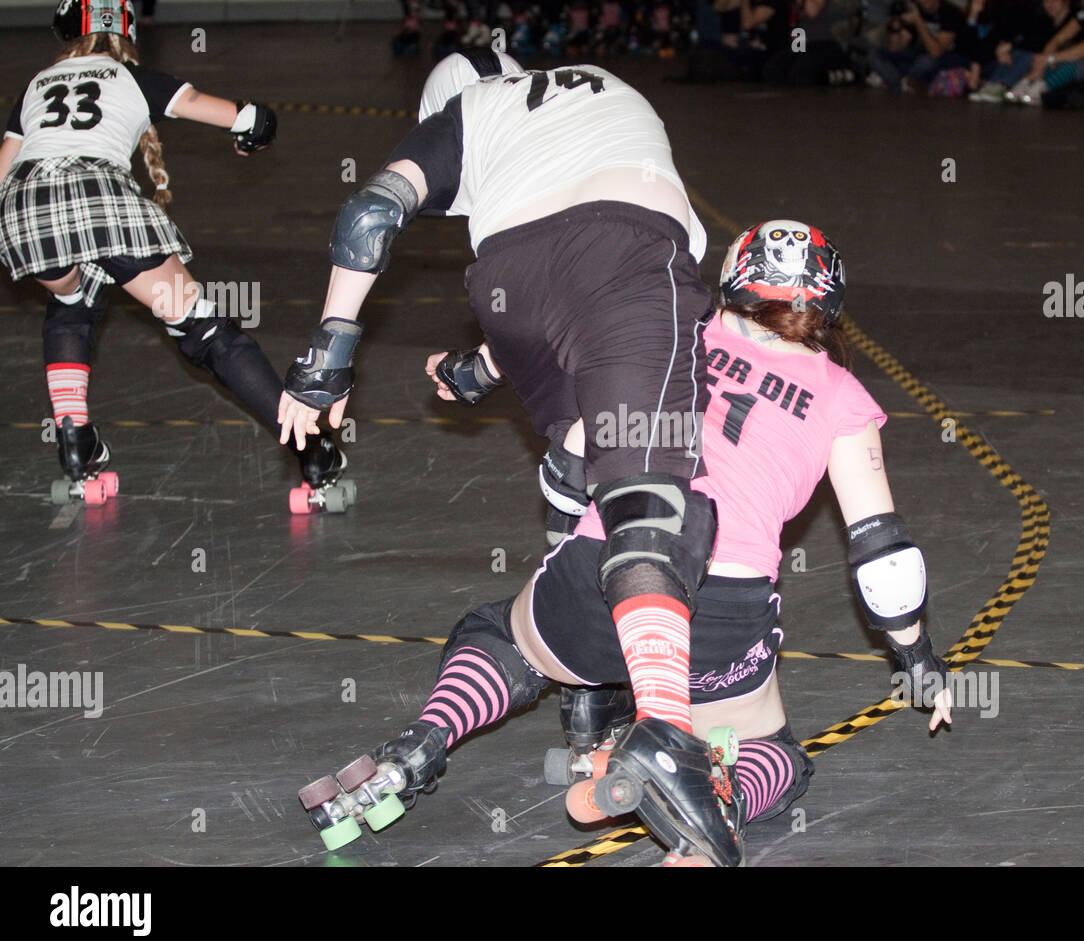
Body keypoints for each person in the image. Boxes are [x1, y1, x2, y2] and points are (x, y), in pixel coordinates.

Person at [300, 221, 953, 866]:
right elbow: (882, 555)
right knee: (776, 754)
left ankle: (421, 744)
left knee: (501, 636)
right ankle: (721, 796)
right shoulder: (844, 399)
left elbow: (549, 328)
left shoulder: (673, 324)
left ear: (734, 280)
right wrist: (917, 660)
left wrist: (473, 371)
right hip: (724, 611)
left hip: (609, 567)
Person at [278, 62, 722, 792]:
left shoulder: (466, 112)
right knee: (647, 494)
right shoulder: (603, 84)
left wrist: (329, 355)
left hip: (512, 282)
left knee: (580, 443)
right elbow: (595, 259)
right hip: (631, 245)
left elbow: (371, 215)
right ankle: (662, 732)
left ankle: (584, 692)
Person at [0, 1, 346, 508]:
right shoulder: (134, 77)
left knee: (71, 306)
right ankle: (310, 448)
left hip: (27, 210)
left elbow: (5, 166)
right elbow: (247, 117)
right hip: (100, 197)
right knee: (205, 329)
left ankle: (76, 444)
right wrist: (253, 133)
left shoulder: (36, 85)